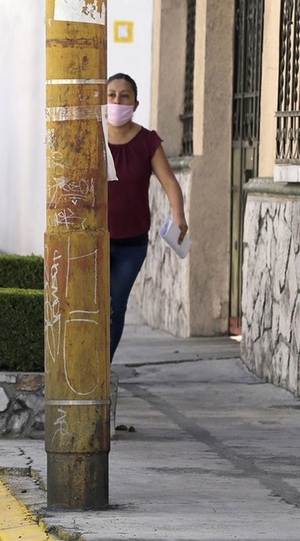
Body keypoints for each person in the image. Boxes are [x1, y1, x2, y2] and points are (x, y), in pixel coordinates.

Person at [107, 72, 189, 361]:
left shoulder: (147, 141)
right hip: (93, 242)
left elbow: (169, 182)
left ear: (135, 103)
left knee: (116, 306)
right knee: (87, 305)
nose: (117, 101)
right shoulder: (90, 139)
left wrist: (179, 216)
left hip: (131, 244)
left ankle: (103, 369)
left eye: (124, 96)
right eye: (112, 95)